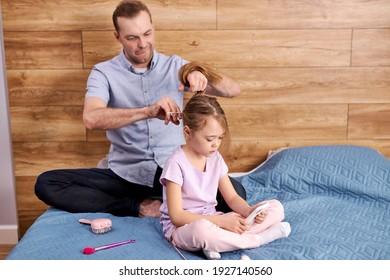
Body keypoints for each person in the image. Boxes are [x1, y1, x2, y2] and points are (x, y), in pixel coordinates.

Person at [34, 0, 245, 218]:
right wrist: (148, 111)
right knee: (47, 183)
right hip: (125, 176)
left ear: (153, 28)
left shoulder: (176, 67)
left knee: (237, 193)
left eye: (147, 34)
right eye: (132, 38)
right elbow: (91, 118)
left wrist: (200, 73)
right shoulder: (103, 72)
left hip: (174, 173)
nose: (142, 44)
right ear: (118, 37)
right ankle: (138, 207)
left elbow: (233, 90)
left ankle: (169, 200)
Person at [159, 92, 291, 260]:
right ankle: (258, 239)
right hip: (184, 228)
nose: (216, 144)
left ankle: (218, 244)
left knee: (276, 207)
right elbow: (177, 216)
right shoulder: (175, 163)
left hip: (215, 221)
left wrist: (249, 211)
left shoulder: (215, 158)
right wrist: (221, 222)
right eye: (209, 139)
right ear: (187, 132)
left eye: (220, 138)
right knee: (201, 231)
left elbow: (232, 197)